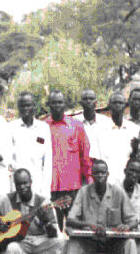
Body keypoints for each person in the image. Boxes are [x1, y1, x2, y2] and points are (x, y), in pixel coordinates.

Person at [44, 90, 93, 230]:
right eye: (54, 102)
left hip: (73, 188)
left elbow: (85, 156)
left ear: (65, 104)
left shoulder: (76, 126)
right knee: (55, 229)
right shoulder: (43, 127)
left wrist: (89, 181)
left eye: (60, 102)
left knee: (76, 228)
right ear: (49, 105)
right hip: (52, 188)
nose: (57, 105)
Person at [9, 91, 53, 199]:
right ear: (18, 108)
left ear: (34, 107)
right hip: (18, 185)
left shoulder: (43, 128)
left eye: (28, 105)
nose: (25, 109)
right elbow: (8, 159)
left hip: (38, 184)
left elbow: (47, 162)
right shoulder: (11, 128)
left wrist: (46, 191)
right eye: (22, 106)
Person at [98, 92, 140, 184]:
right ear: (109, 106)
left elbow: (135, 158)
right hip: (107, 184)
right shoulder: (100, 129)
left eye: (120, 103)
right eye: (115, 103)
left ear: (125, 106)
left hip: (127, 184)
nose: (118, 105)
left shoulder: (134, 129)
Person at [74, 88, 112, 160]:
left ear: (96, 103)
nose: (88, 101)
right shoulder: (74, 123)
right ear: (81, 103)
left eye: (91, 99)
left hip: (102, 166)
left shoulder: (106, 122)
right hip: (82, 167)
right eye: (85, 99)